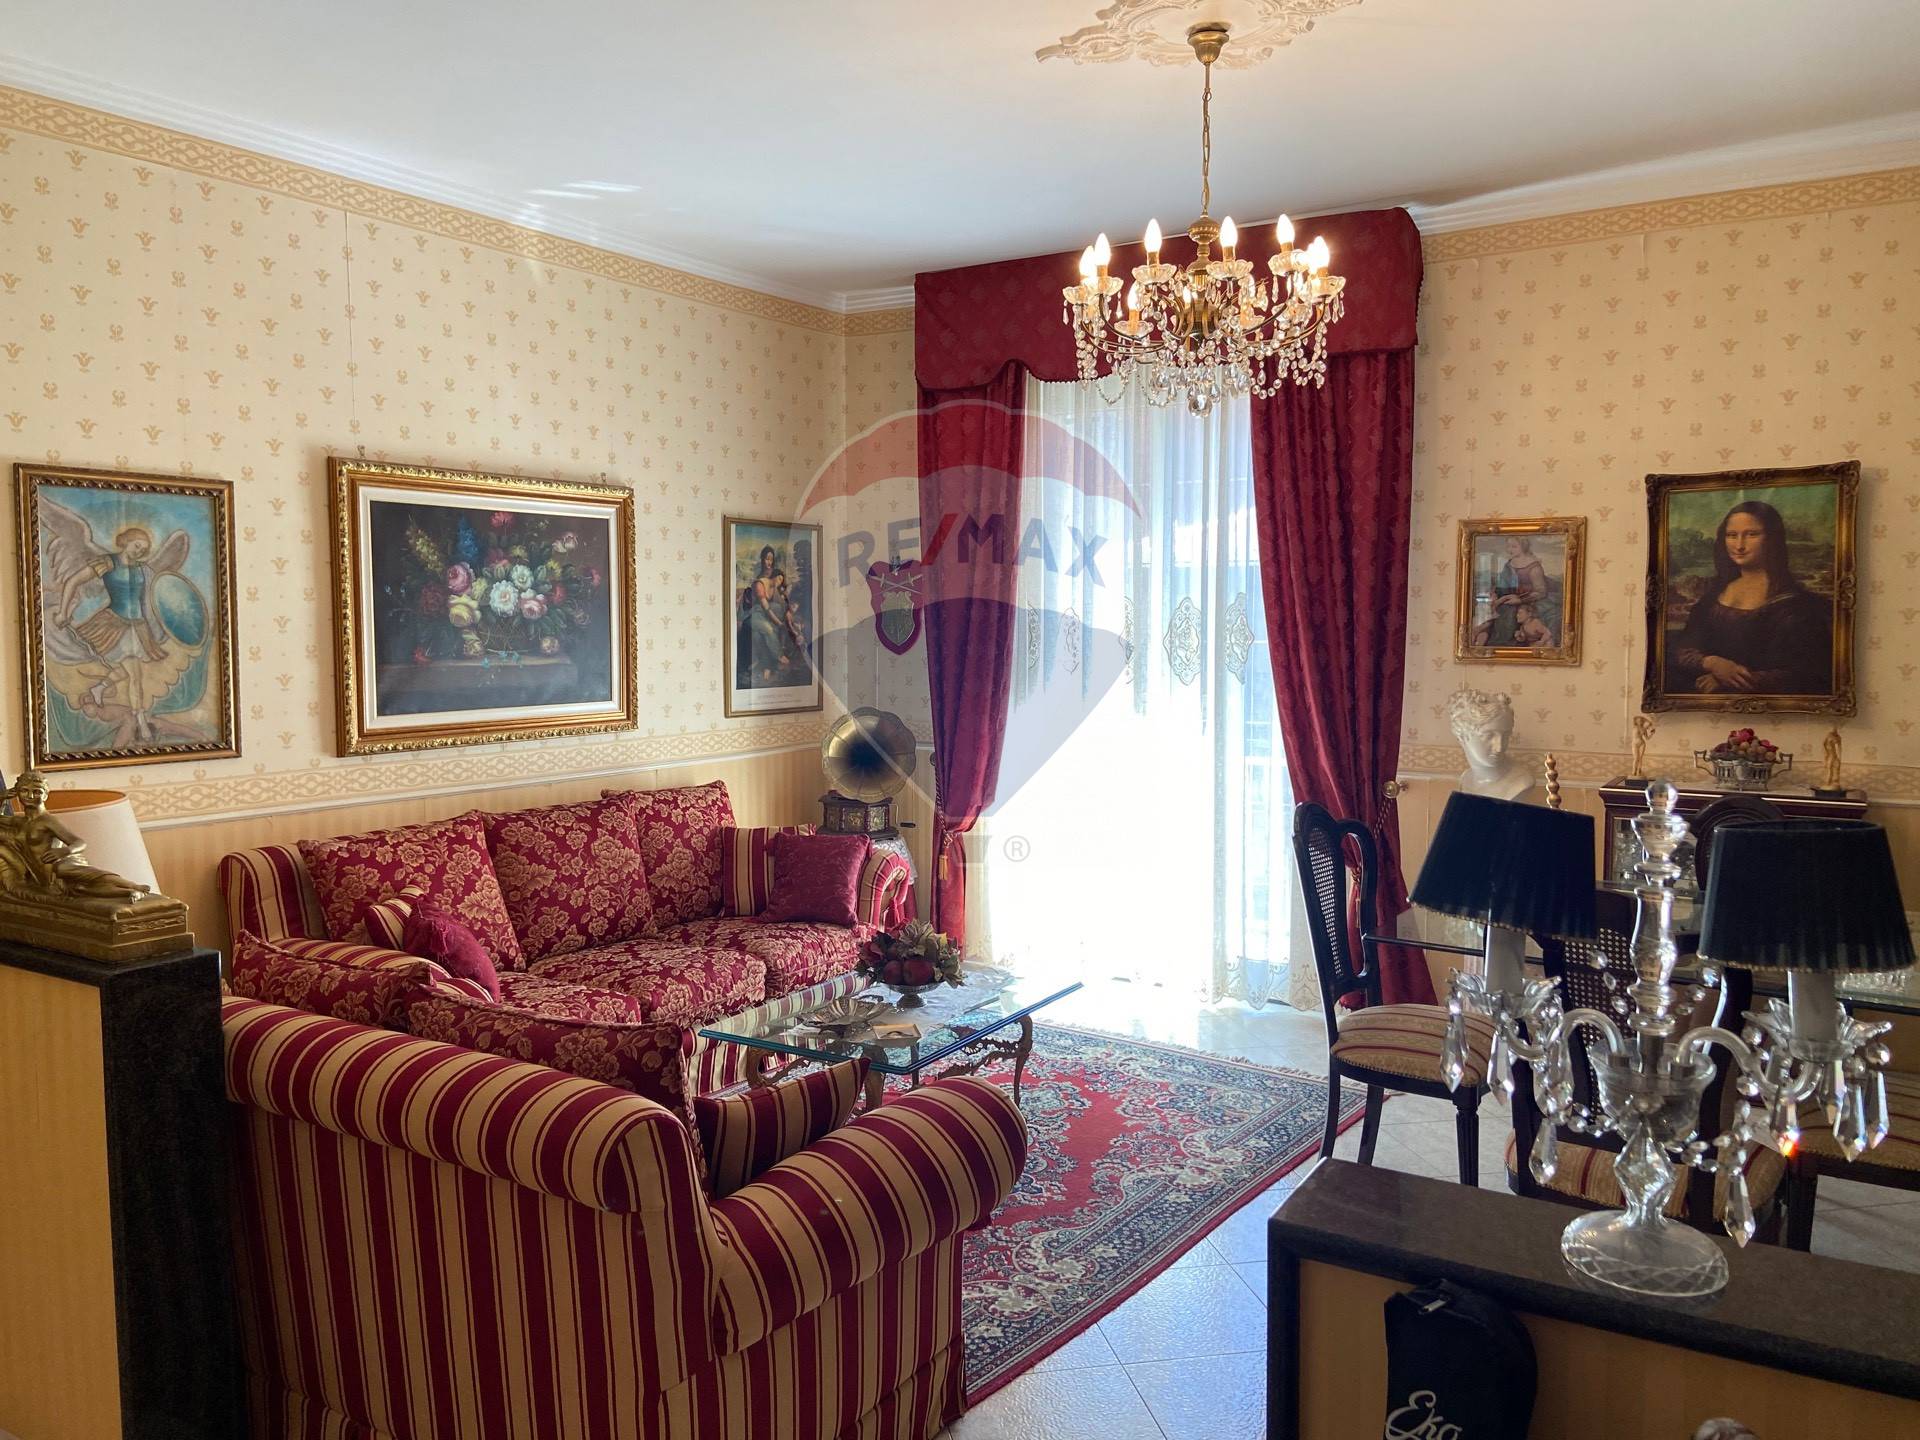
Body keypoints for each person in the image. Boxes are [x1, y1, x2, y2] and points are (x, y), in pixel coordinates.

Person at [1666, 500, 1832, 695]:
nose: (1739, 545)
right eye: (1732, 535)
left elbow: (1808, 674)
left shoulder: (1796, 606)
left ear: (1772, 539)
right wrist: (1712, 663)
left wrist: (1732, 680)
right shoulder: (1713, 595)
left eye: (1752, 534)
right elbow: (1681, 648)